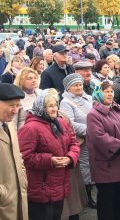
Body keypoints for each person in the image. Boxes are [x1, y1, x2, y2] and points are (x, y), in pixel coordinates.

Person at [18, 89, 80, 220]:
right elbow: (24, 158)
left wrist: (70, 158)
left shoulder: (60, 122)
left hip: (60, 185)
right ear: (41, 107)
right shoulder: (30, 128)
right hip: (41, 188)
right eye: (50, 106)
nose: (55, 109)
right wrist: (50, 161)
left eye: (56, 105)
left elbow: (74, 143)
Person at [86, 80, 120, 220]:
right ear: (98, 93)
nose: (110, 93)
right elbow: (99, 137)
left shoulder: (118, 108)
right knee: (107, 201)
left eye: (111, 91)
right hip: (107, 164)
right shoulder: (93, 114)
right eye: (106, 91)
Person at [59, 74, 96, 209]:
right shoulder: (66, 103)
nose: (79, 87)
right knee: (85, 168)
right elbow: (69, 124)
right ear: (68, 88)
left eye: (80, 84)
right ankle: (87, 197)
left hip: (93, 139)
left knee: (91, 166)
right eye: (75, 85)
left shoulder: (88, 98)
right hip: (83, 140)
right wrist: (91, 129)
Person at [0, 83, 28, 220]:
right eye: (11, 105)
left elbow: (18, 155)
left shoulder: (9, 124)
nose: (15, 110)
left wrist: (23, 178)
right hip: (4, 201)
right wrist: (2, 194)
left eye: (18, 105)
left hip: (17, 197)